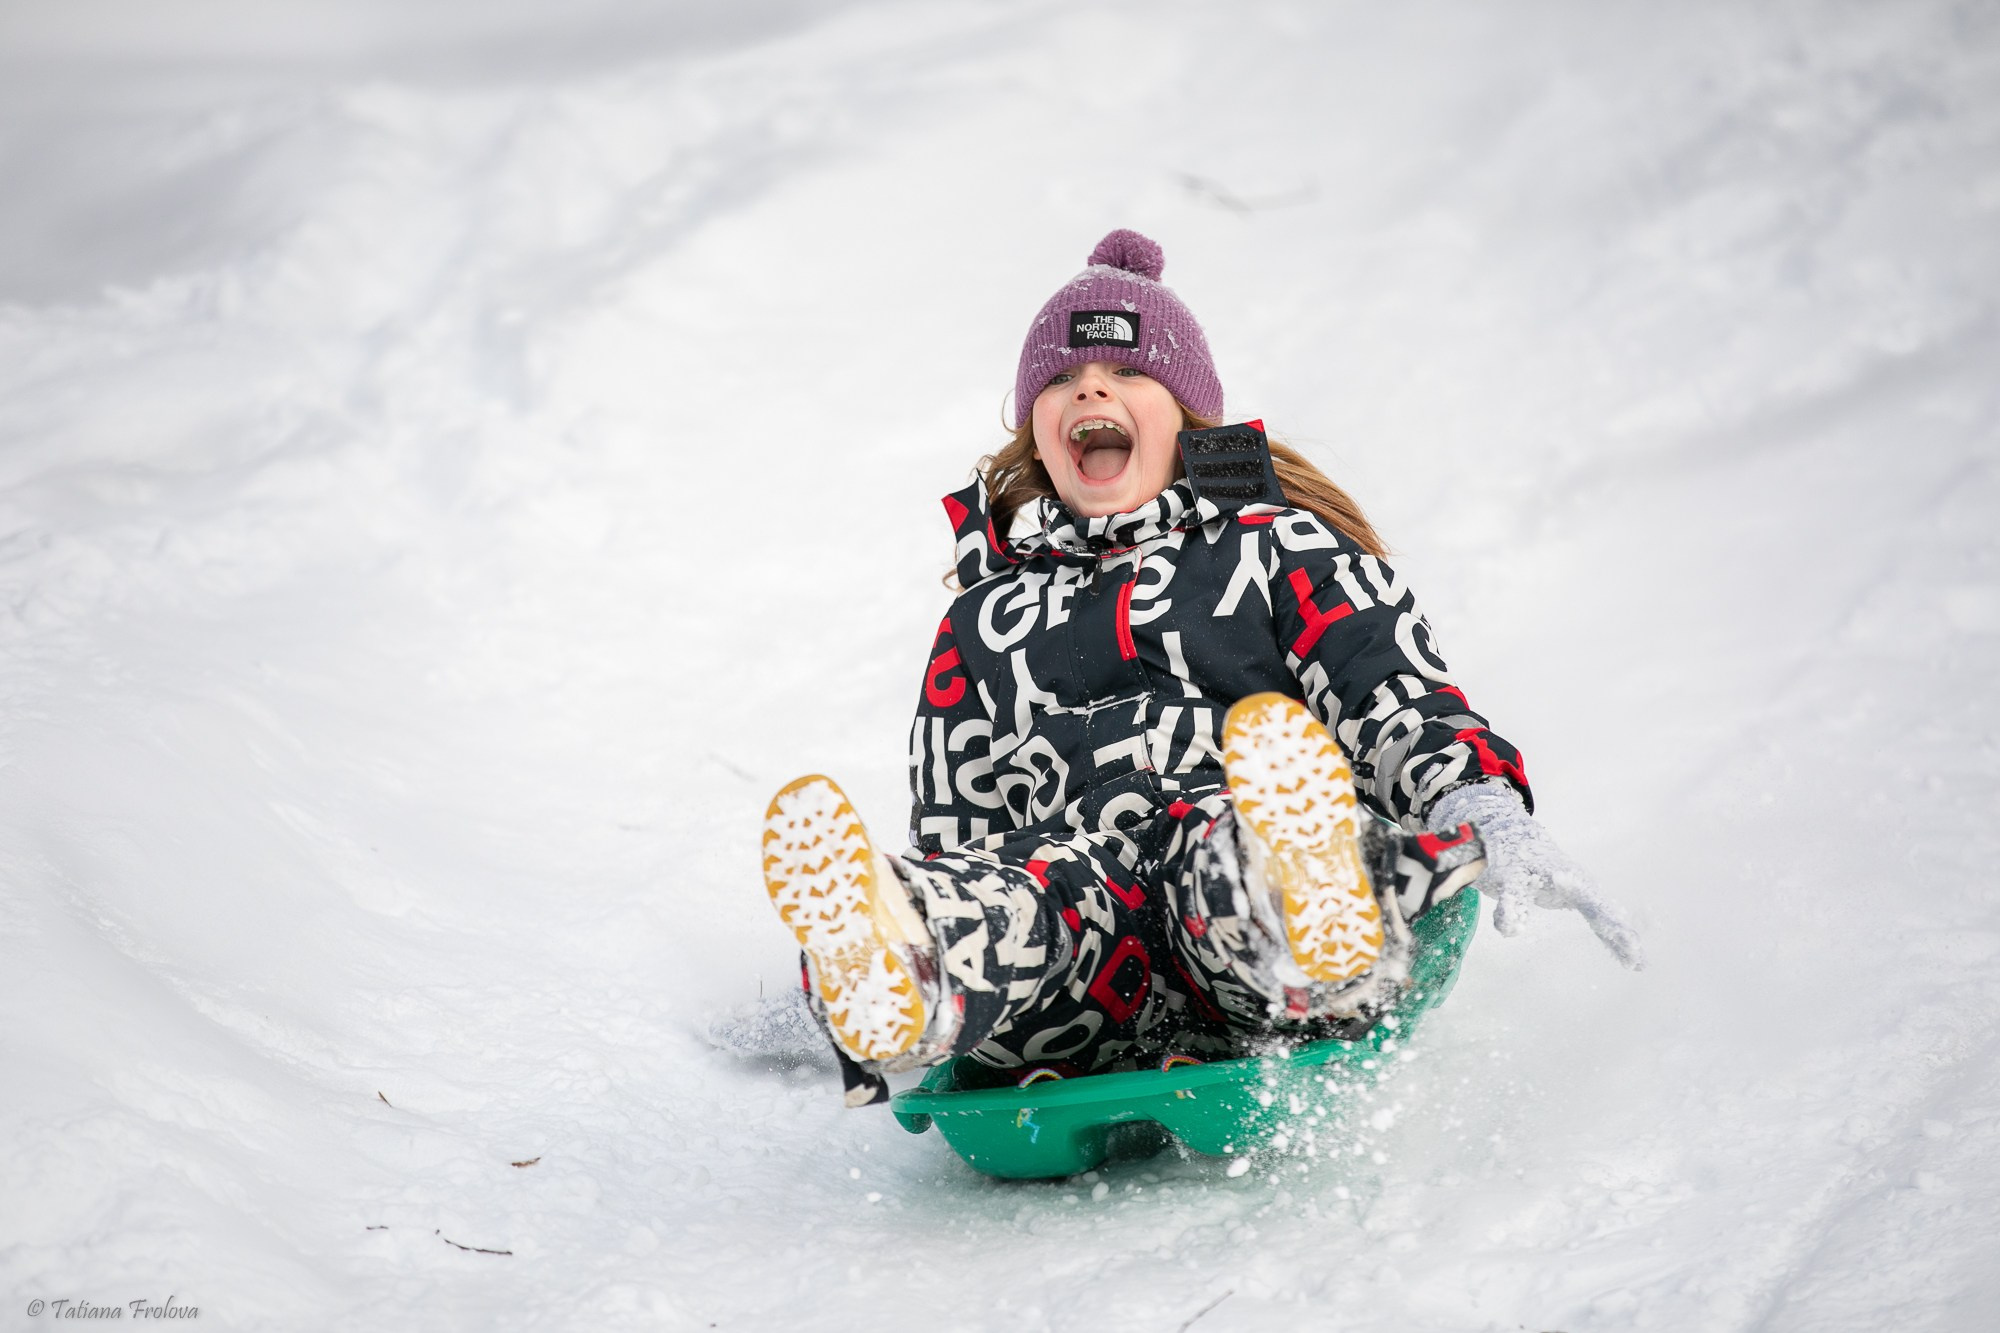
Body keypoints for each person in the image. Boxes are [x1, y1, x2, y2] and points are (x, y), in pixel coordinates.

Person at [760, 230, 1642, 1107]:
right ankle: (899, 969)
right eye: (1061, 380)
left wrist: (1478, 802)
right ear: (1036, 427)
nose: (1090, 387)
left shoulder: (1273, 546)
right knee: (1026, 890)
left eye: (1128, 373)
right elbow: (962, 820)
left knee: (1225, 841)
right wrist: (940, 897)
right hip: (1080, 989)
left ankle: (1309, 894)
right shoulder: (982, 620)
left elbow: (1389, 691)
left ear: (1188, 416)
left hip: (1233, 933)